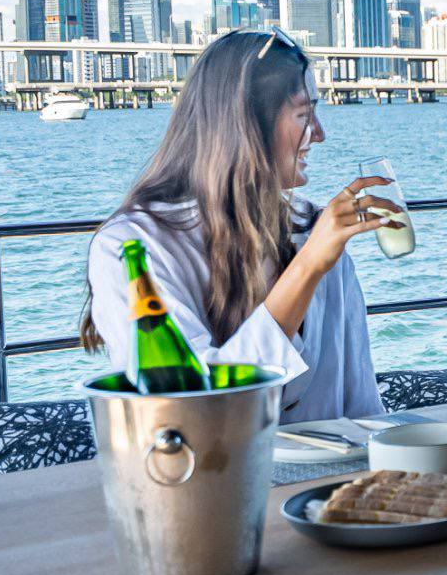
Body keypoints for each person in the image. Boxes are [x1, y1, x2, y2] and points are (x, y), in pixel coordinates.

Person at [82, 27, 398, 423]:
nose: (319, 134)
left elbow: (364, 408)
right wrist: (307, 268)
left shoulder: (315, 232)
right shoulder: (132, 248)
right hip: (214, 482)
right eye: (304, 115)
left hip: (334, 484)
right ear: (246, 123)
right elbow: (194, 410)